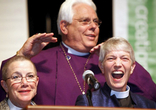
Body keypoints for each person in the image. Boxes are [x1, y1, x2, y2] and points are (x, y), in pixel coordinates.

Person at [0, 0, 156, 105]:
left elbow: (149, 95)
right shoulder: (39, 62)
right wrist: (22, 56)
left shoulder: (108, 64)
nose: (94, 26)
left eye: (96, 22)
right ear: (64, 27)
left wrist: (116, 57)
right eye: (85, 21)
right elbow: (5, 94)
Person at [75, 37, 156, 108]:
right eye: (111, 58)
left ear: (132, 67)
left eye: (124, 58)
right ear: (102, 66)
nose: (117, 64)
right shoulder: (88, 102)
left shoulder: (148, 105)